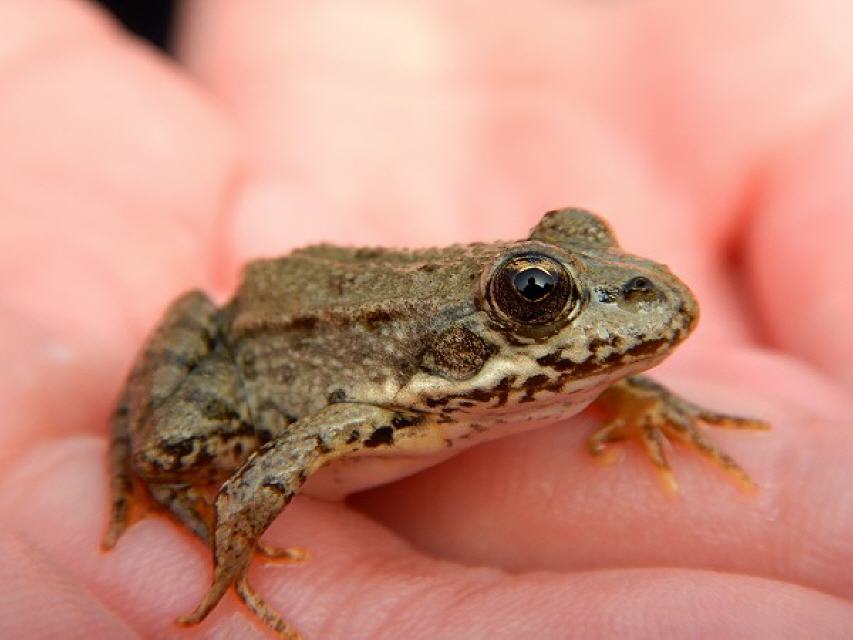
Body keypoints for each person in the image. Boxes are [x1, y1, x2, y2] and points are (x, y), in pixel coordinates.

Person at [1, 1, 852, 637]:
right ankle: (146, 486)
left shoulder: (538, 367)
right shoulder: (373, 412)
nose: (625, 295)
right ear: (482, 323)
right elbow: (268, 470)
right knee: (171, 448)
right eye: (536, 296)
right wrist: (234, 564)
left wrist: (631, 393)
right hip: (261, 346)